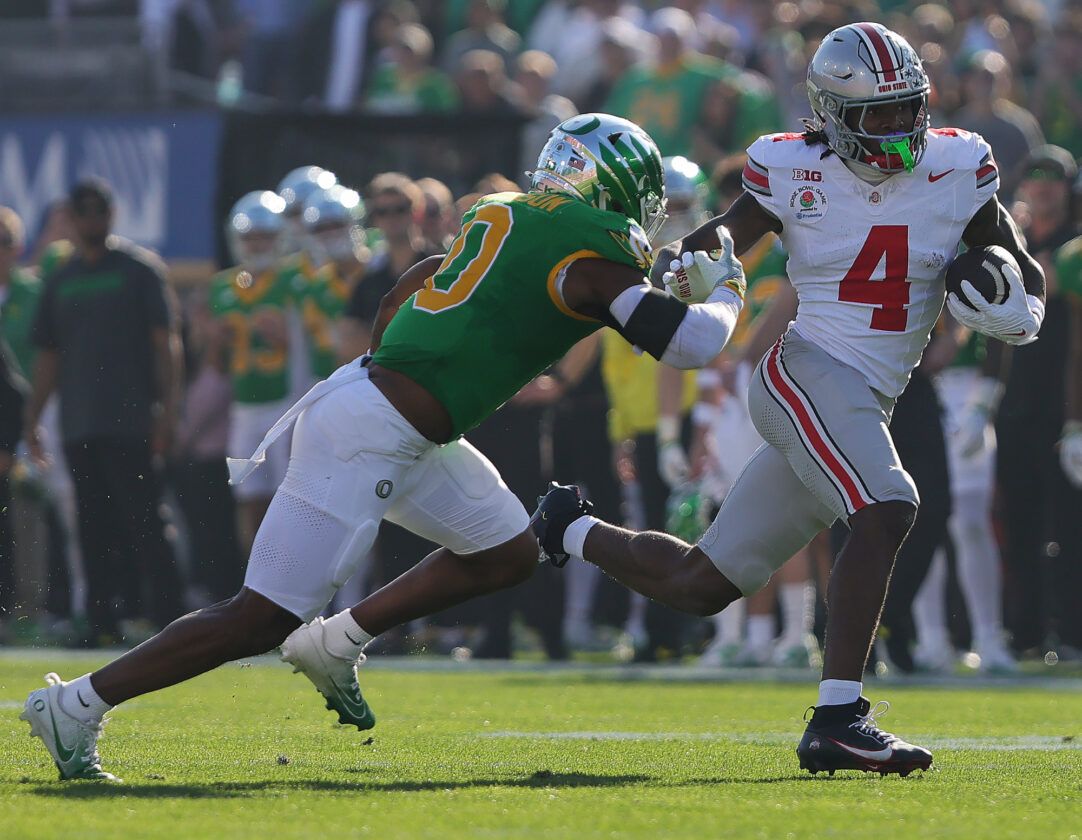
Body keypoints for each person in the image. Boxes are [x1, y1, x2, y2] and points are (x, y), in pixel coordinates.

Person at [21, 113, 747, 782]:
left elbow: (413, 281)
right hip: (373, 431)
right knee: (261, 616)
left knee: (507, 550)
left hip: (398, 421)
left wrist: (388, 366)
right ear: (616, 184)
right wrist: (730, 291)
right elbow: (689, 345)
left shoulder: (507, 214)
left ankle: (337, 641)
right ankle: (78, 704)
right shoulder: (588, 251)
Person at [533, 23, 1045, 776]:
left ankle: (566, 527)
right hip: (802, 373)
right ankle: (839, 717)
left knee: (702, 584)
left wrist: (1011, 307)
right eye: (879, 115)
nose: (901, 127)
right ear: (833, 113)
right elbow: (724, 237)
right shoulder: (789, 167)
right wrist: (690, 266)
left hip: (865, 400)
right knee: (886, 505)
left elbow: (1022, 274)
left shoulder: (960, 165)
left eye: (908, 108)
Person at [23, 178, 184, 647]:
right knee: (92, 525)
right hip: (79, 420)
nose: (92, 219)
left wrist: (168, 411)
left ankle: (168, 615)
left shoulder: (138, 269)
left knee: (146, 519)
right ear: (71, 219)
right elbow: (48, 356)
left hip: (132, 419)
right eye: (83, 211)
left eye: (100, 210)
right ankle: (99, 621)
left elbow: (165, 343)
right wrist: (32, 418)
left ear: (112, 215)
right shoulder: (61, 279)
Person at [211, 191, 294, 555]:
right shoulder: (223, 286)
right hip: (243, 407)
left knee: (288, 499)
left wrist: (285, 337)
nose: (257, 244)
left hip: (287, 403)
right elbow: (215, 365)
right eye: (250, 236)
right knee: (248, 497)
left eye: (265, 236)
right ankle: (255, 581)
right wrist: (213, 341)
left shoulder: (294, 280)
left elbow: (318, 348)